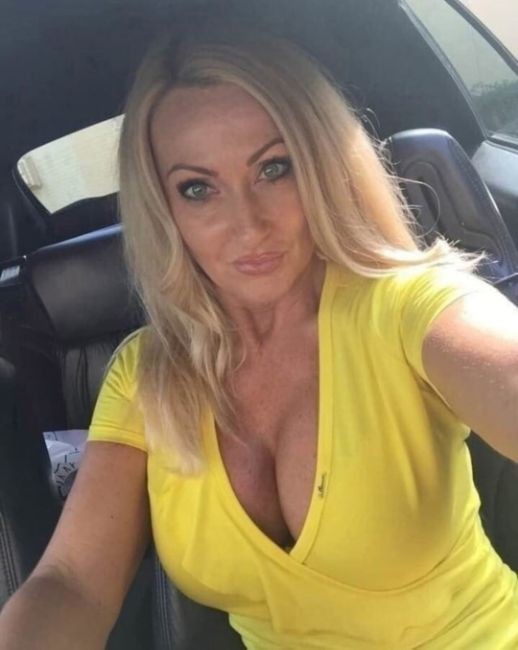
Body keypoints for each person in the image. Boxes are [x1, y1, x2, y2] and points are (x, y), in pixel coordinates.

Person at [1, 21, 518, 650]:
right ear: (165, 210)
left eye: (275, 168)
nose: (247, 225)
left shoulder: (409, 306)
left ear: (323, 165)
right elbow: (73, 582)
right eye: (198, 189)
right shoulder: (144, 376)